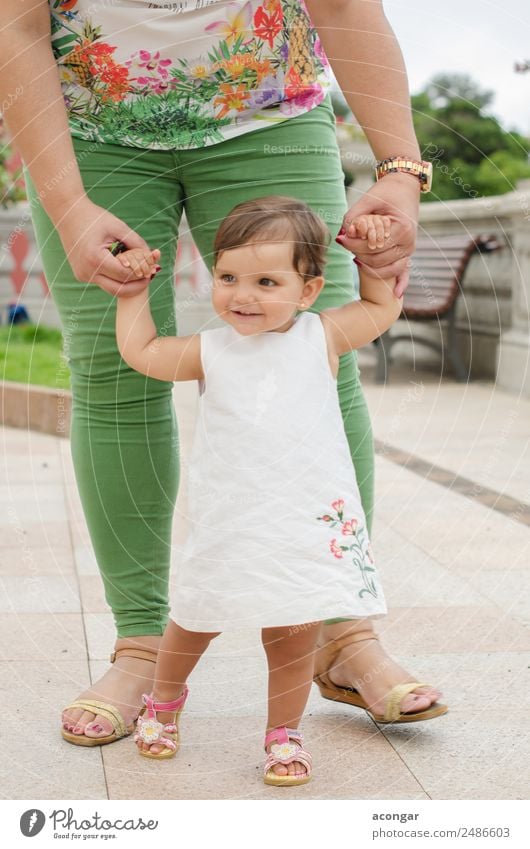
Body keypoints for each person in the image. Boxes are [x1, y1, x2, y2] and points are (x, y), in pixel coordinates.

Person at [1, 0, 444, 749]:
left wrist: (401, 171)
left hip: (267, 109)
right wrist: (69, 203)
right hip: (90, 130)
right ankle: (141, 644)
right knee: (114, 379)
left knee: (317, 366)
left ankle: (342, 633)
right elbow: (14, 22)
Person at [115, 198, 402, 785]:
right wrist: (131, 297)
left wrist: (373, 255)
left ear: (308, 289)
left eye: (266, 281)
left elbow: (382, 303)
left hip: (301, 521)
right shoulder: (211, 350)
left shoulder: (321, 335)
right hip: (231, 520)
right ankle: (164, 700)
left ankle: (283, 732)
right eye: (228, 278)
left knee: (292, 632)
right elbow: (142, 353)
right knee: (195, 617)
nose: (242, 295)